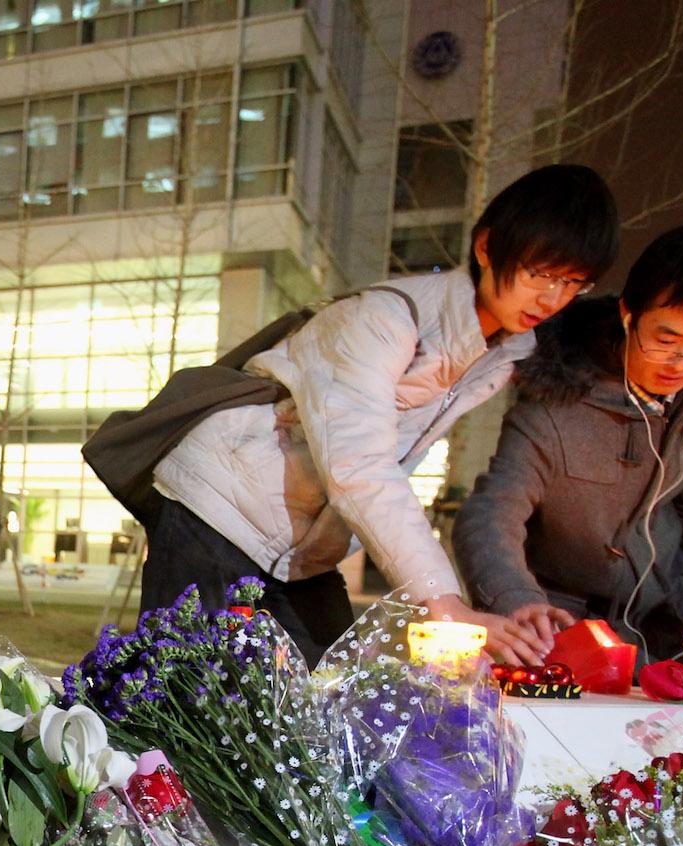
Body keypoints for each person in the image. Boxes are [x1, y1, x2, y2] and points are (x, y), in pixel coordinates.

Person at [141, 164, 620, 666]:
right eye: (540, 273)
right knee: (187, 697)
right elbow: (360, 465)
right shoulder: (381, 319)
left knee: (327, 700)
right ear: (486, 247)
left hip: (302, 548)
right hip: (217, 509)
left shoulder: (497, 356)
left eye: (573, 283)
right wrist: (443, 601)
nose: (552, 297)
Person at [452, 223, 683, 664]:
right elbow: (492, 512)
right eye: (666, 340)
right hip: (561, 628)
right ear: (628, 314)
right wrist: (518, 600)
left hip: (665, 623)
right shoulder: (556, 401)